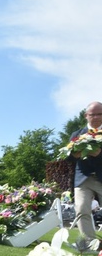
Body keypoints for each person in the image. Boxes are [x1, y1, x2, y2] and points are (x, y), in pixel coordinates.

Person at [69, 101, 102, 242]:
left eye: (99, 114)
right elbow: (68, 157)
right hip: (83, 179)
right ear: (86, 116)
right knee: (82, 209)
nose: (96, 117)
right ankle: (90, 244)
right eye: (92, 114)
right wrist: (74, 155)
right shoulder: (76, 135)